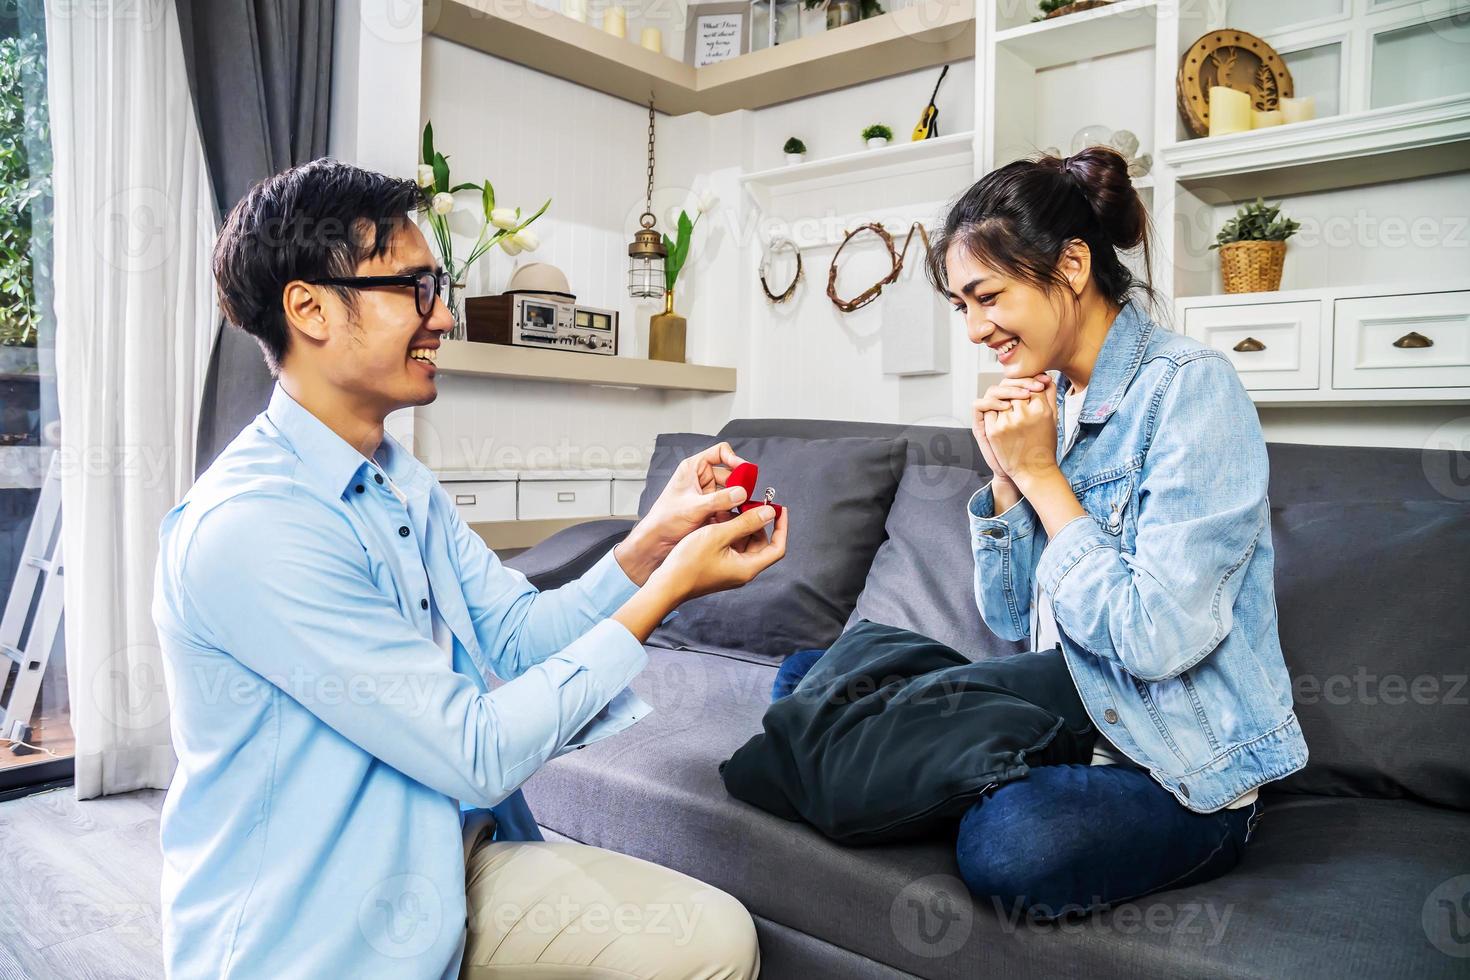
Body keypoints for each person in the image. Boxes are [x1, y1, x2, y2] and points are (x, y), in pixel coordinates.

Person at [152, 159, 787, 979]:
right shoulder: (252, 528)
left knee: (710, 938)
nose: (444, 316)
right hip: (317, 933)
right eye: (414, 288)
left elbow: (518, 637)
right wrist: (669, 590)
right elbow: (475, 751)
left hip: (446, 855)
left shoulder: (396, 478)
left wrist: (649, 545)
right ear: (307, 307)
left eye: (439, 285)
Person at [775, 146, 1307, 918]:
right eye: (962, 306)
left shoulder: (1191, 390)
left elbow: (1158, 639)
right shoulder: (1048, 400)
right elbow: (1010, 620)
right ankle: (929, 767)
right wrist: (1006, 479)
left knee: (1012, 846)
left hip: (1170, 759)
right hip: (1062, 712)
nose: (974, 329)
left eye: (986, 297)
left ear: (1072, 265)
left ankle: (931, 775)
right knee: (805, 675)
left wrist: (1046, 480)